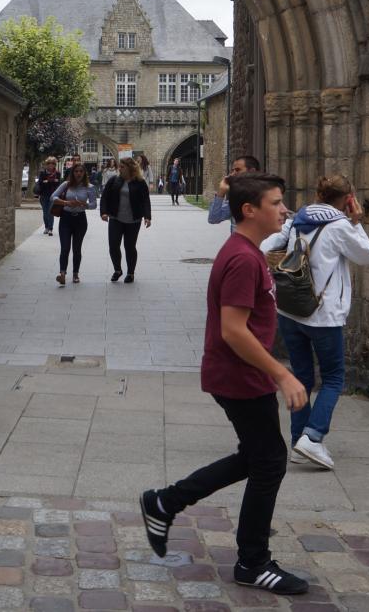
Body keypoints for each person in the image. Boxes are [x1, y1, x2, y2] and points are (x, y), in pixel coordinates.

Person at [140, 173, 309, 596]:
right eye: (275, 202)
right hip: (238, 375)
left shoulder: (248, 253)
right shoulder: (242, 258)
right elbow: (234, 330)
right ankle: (252, 561)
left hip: (239, 373)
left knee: (258, 457)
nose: (284, 209)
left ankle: (165, 502)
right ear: (249, 210)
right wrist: (282, 373)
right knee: (269, 461)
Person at [261, 173, 369, 470]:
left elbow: (266, 247)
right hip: (323, 316)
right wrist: (357, 222)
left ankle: (298, 439)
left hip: (290, 311)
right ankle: (312, 438)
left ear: (319, 193)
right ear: (348, 199)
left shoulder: (298, 218)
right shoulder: (340, 226)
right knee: (334, 378)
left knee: (301, 377)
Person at [100, 156, 152, 283]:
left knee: (129, 246)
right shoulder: (114, 180)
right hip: (115, 218)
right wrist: (104, 212)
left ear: (130, 168)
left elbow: (146, 200)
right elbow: (105, 197)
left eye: (122, 167)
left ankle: (130, 273)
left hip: (133, 220)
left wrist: (147, 217)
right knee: (113, 245)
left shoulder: (140, 182)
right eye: (119, 167)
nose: (120, 169)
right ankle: (118, 270)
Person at [50, 162, 98, 285]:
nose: (78, 174)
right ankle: (62, 274)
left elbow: (94, 205)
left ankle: (75, 273)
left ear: (84, 173)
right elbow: (53, 197)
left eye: (81, 171)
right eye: (76, 171)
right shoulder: (66, 185)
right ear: (72, 173)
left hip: (80, 220)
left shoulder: (90, 187)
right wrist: (65, 203)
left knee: (77, 249)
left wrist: (84, 204)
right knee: (65, 248)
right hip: (66, 219)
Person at [208, 155, 261, 225]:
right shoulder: (237, 197)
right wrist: (221, 192)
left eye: (237, 170)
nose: (233, 174)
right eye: (233, 170)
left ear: (252, 171)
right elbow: (213, 219)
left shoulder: (266, 195)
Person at [34, 156, 61, 236]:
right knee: (45, 212)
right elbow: (41, 183)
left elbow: (58, 184)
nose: (50, 165)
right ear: (46, 164)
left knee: (50, 212)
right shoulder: (43, 173)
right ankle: (46, 227)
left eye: (52, 163)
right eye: (49, 163)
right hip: (43, 195)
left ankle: (50, 229)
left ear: (55, 165)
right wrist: (50, 181)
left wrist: (48, 181)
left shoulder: (57, 173)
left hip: (52, 195)